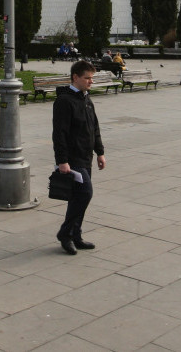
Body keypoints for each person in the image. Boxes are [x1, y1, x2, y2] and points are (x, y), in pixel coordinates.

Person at [52, 60, 106, 255]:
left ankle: (75, 235)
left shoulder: (86, 98)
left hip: (86, 157)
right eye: (87, 78)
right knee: (85, 194)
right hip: (72, 159)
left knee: (77, 198)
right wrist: (62, 161)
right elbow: (59, 134)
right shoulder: (64, 101)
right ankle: (65, 233)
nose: (91, 82)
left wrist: (100, 152)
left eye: (92, 78)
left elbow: (95, 127)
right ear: (75, 77)